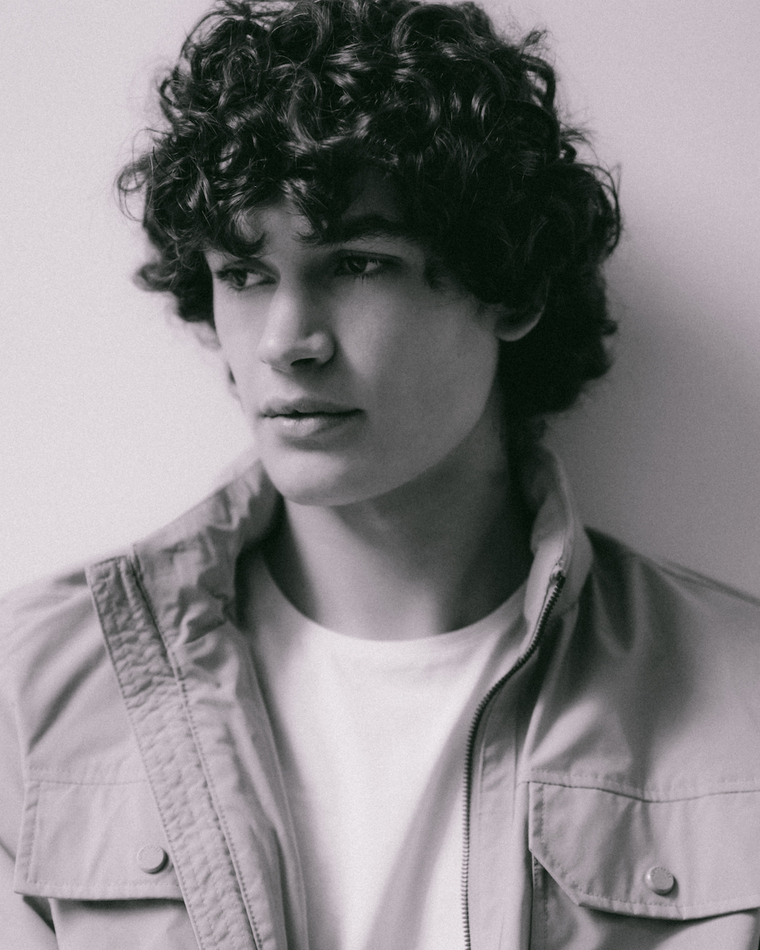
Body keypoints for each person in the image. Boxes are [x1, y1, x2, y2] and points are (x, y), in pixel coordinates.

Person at [1, 0, 759, 947]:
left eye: (358, 264)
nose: (286, 342)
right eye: (244, 274)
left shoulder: (739, 702)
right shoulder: (33, 695)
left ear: (511, 287)